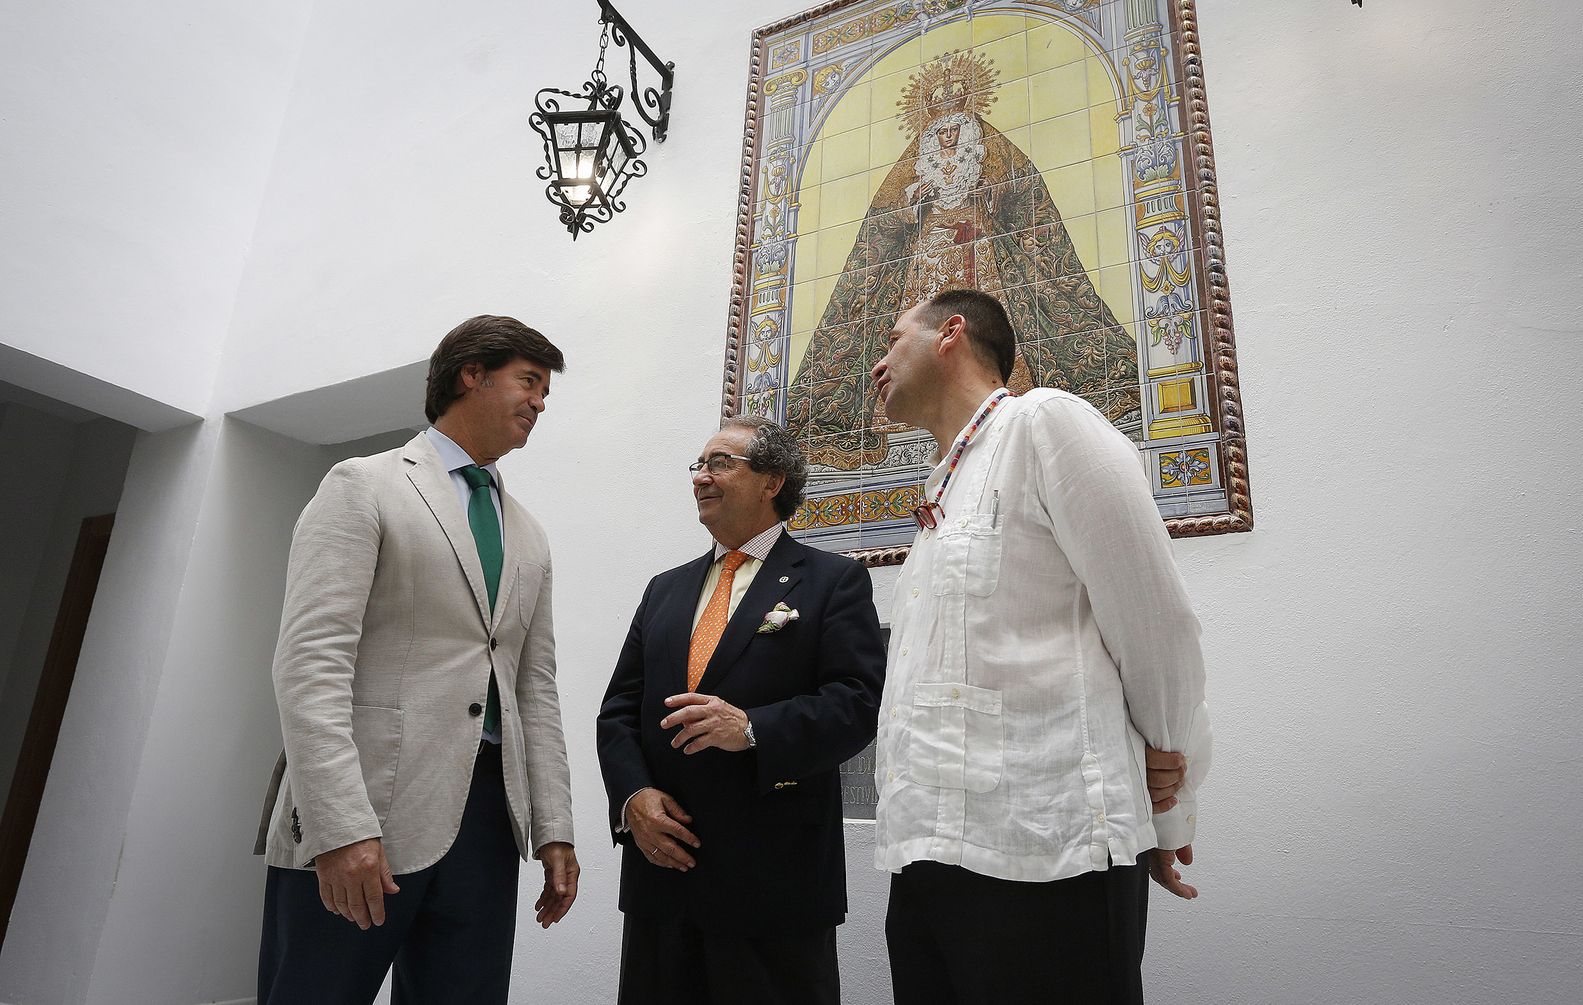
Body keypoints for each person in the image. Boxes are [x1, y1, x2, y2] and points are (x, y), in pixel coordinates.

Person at [869, 289, 1211, 1004]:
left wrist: (1167, 804)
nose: (876, 363)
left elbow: (1156, 621)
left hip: (1048, 853)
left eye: (893, 338)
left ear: (950, 334)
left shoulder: (1042, 423)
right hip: (928, 855)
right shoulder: (945, 490)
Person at [254, 315, 579, 1004]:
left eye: (545, 391)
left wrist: (554, 829)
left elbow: (535, 690)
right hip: (364, 807)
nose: (540, 403)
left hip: (490, 820)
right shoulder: (363, 485)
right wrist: (341, 826)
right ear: (471, 374)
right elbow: (310, 663)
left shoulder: (530, 535)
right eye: (530, 382)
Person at [596, 416, 886, 1005]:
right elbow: (619, 711)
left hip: (772, 885)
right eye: (698, 466)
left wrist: (752, 728)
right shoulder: (664, 589)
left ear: (772, 480)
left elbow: (857, 703)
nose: (701, 477)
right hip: (663, 876)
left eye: (720, 463)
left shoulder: (833, 581)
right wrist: (633, 799)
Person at [787, 48, 1142, 472]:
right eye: (940, 131)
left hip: (981, 249)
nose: (948, 138)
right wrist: (910, 206)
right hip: (929, 256)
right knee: (918, 334)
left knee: (982, 326)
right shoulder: (916, 165)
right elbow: (882, 221)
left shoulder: (992, 153)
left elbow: (1024, 192)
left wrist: (994, 194)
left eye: (955, 128)